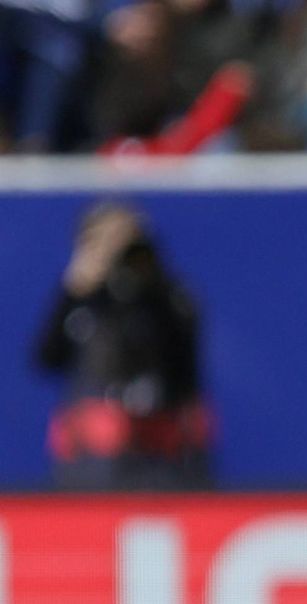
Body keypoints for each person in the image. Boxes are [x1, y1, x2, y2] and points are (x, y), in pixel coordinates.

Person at [37, 202, 211, 491]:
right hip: (92, 461)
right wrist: (74, 291)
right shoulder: (83, 301)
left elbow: (186, 368)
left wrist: (148, 275)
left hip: (161, 458)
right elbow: (47, 358)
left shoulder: (168, 298)